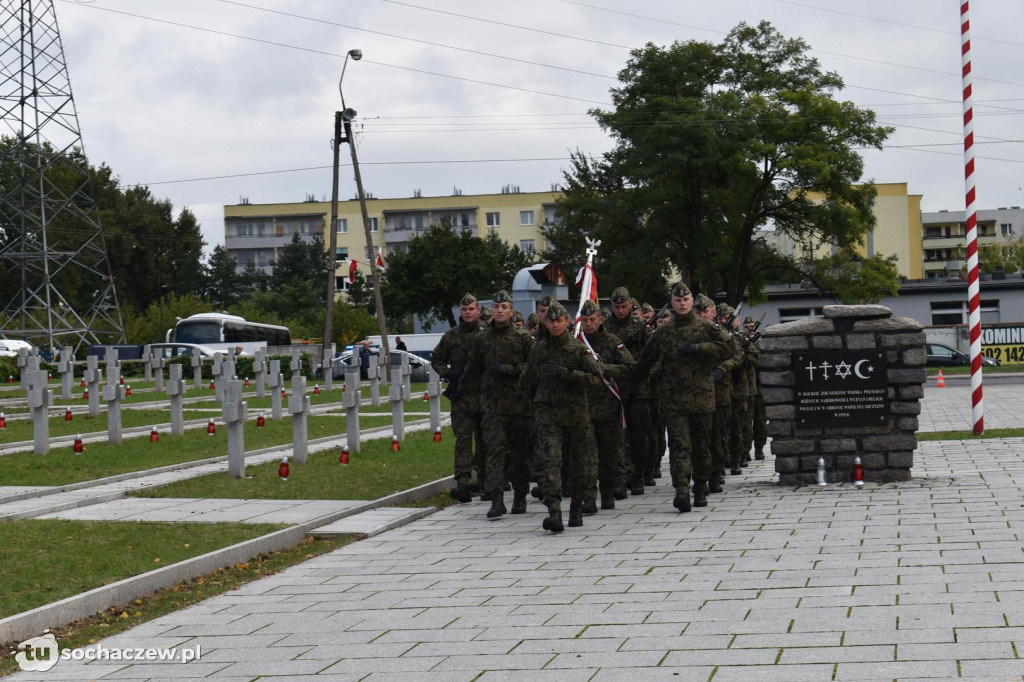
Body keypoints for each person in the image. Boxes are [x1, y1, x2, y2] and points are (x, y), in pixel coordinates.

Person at [634, 283, 731, 512]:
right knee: (679, 446)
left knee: (701, 447)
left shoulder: (706, 327)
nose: (682, 303)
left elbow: (730, 348)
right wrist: (632, 381)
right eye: (678, 301)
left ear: (691, 301)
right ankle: (681, 490)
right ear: (672, 303)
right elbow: (646, 360)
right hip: (674, 400)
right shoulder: (664, 331)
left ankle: (700, 486)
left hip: (702, 398)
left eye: (686, 300)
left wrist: (701, 348)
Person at [520, 300, 604, 532]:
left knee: (578, 463)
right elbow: (526, 377)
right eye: (551, 321)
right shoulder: (538, 349)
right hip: (548, 414)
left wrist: (568, 374)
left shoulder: (577, 349)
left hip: (576, 413)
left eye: (559, 321)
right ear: (545, 323)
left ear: (567, 322)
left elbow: (598, 379)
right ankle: (554, 512)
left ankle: (576, 507)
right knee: (551, 462)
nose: (555, 326)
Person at [463, 290, 535, 518]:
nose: (500, 311)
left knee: (521, 454)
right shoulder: (482, 339)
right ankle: (496, 499)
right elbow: (471, 370)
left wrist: (510, 369)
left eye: (504, 307)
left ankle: (521, 495)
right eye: (497, 307)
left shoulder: (523, 339)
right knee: (495, 452)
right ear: (492, 310)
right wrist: (462, 395)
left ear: (511, 310)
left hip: (519, 407)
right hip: (492, 407)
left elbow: (534, 368)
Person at [578, 299, 633, 510]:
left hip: (609, 407)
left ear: (601, 319)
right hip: (584, 408)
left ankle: (607, 492)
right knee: (587, 455)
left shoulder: (612, 342)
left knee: (609, 454)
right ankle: (589, 497)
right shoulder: (577, 343)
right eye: (585, 320)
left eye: (593, 319)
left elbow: (629, 367)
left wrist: (604, 368)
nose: (589, 324)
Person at [431, 294, 486, 503]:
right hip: (461, 398)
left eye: (472, 309)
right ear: (460, 312)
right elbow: (436, 359)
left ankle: (484, 481)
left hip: (483, 397)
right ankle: (462, 482)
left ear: (478, 310)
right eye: (464, 310)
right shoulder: (450, 336)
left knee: (485, 443)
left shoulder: (485, 336)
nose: (468, 313)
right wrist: (446, 373)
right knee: (463, 441)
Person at [603, 286, 653, 496]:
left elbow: (651, 355)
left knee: (638, 435)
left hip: (637, 388)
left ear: (631, 304)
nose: (621, 310)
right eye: (616, 307)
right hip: (613, 387)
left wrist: (635, 364)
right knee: (615, 436)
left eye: (624, 306)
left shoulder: (640, 326)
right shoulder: (604, 326)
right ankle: (619, 477)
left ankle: (638, 474)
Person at [695, 294, 741, 493]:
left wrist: (724, 367)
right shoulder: (688, 333)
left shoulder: (720, 332)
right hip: (695, 392)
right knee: (698, 437)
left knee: (718, 435)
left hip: (720, 390)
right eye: (699, 312)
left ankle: (716, 472)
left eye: (706, 311)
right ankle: (701, 476)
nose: (703, 315)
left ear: (713, 313)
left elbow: (738, 354)